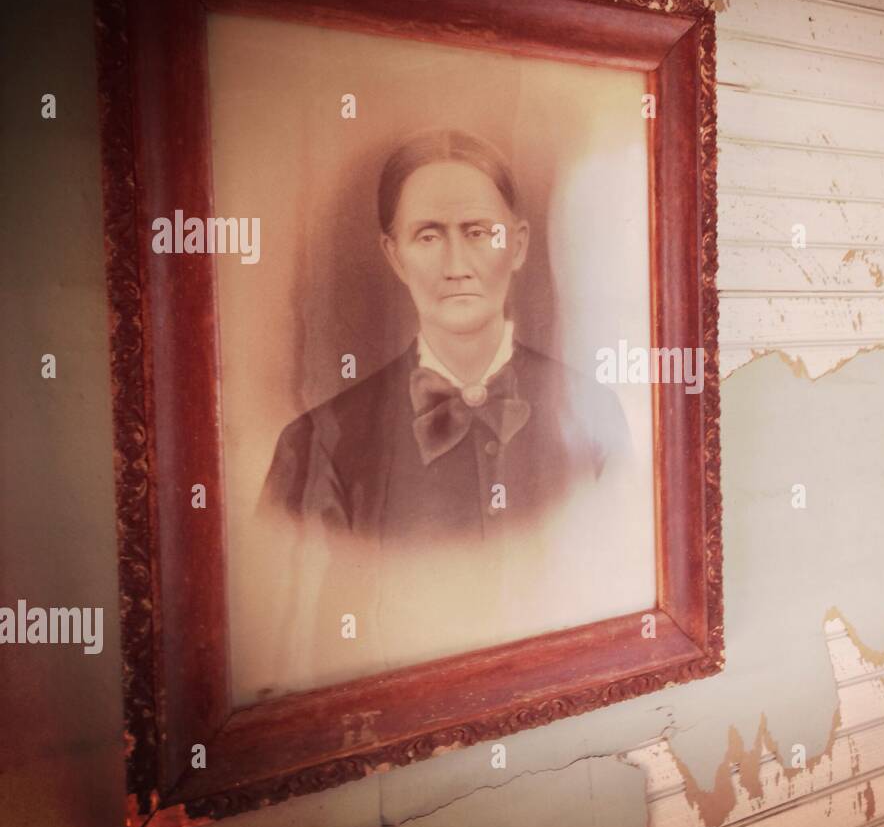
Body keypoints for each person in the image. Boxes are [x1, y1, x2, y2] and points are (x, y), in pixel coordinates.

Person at [258, 129, 631, 546]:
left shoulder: (596, 414)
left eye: (478, 233)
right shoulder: (316, 445)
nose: (456, 266)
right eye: (429, 236)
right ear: (395, 256)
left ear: (519, 246)